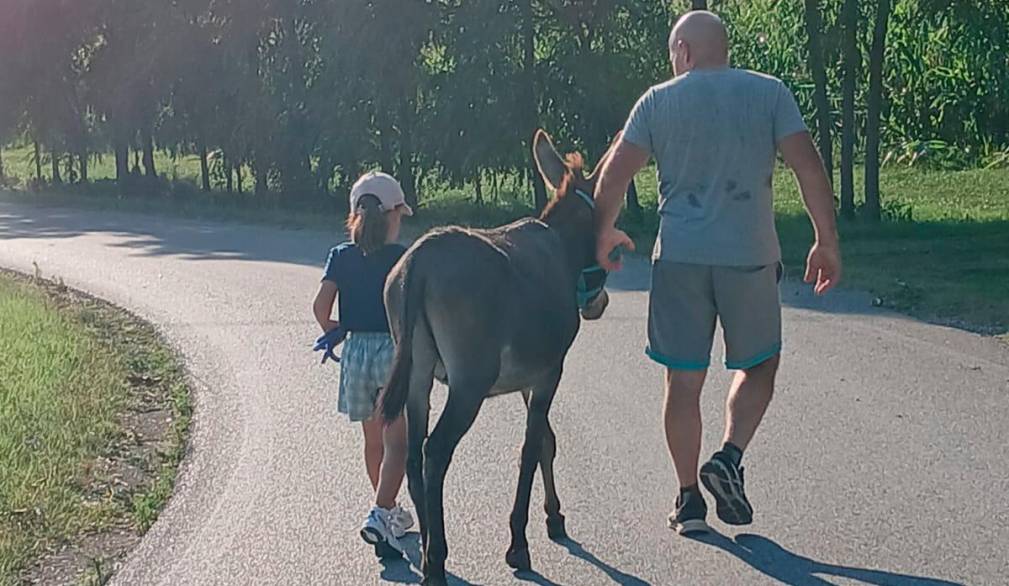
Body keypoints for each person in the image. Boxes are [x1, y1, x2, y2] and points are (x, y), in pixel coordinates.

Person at [592, 11, 842, 534]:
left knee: (682, 382)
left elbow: (612, 177)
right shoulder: (769, 93)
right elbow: (808, 165)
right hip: (748, 255)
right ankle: (727, 457)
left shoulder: (657, 101)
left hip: (680, 256)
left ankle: (687, 500)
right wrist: (825, 240)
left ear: (683, 50)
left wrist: (604, 235)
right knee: (759, 366)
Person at [312, 171, 415, 553]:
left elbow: (321, 308)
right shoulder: (402, 257)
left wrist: (339, 328)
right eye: (400, 216)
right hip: (392, 353)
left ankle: (385, 514)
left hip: (355, 354)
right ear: (391, 215)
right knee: (398, 443)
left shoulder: (340, 256)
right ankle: (381, 510)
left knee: (373, 441)